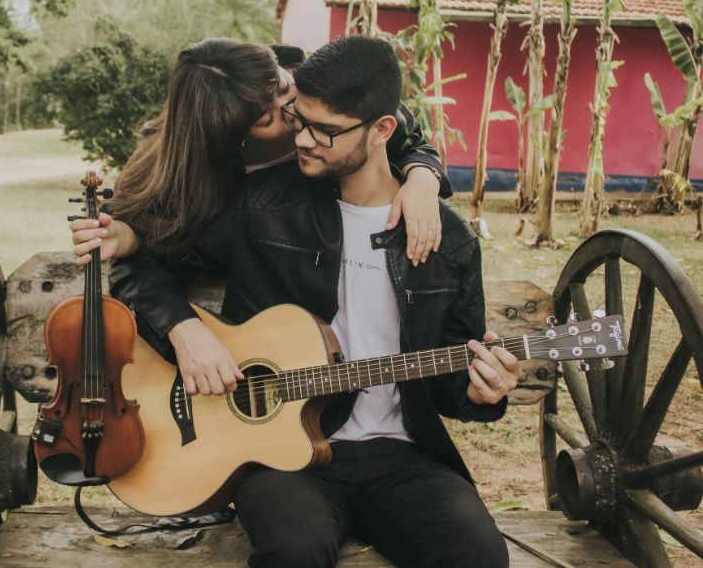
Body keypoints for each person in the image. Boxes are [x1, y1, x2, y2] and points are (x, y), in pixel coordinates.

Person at [108, 35, 518, 567]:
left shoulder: (448, 241)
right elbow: (146, 264)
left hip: (403, 454)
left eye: (322, 131)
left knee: (480, 559)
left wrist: (484, 392)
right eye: (297, 120)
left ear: (382, 131)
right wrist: (183, 327)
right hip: (284, 457)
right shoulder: (261, 205)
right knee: (294, 552)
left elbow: (450, 384)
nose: (300, 138)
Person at [72, 38, 450, 276]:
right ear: (230, 137)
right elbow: (158, 245)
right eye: (267, 117)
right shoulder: (187, 171)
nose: (292, 108)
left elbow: (397, 129)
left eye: (284, 87)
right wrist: (131, 237)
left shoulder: (321, 96)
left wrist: (422, 178)